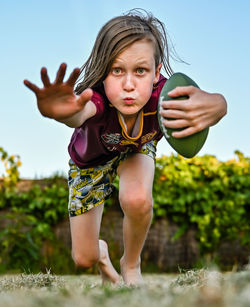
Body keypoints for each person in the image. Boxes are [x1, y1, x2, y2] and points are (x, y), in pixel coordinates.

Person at [24, 9, 227, 286]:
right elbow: (78, 113)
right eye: (117, 70)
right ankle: (103, 254)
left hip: (136, 149)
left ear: (156, 73)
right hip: (90, 161)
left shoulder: (164, 97)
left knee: (137, 199)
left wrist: (219, 104)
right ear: (103, 73)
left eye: (140, 71)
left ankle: (131, 265)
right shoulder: (95, 100)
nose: (129, 85)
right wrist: (61, 113)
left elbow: (205, 102)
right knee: (83, 258)